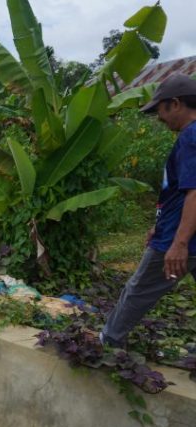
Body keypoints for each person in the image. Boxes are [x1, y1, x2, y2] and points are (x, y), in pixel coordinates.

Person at [100, 73, 196, 348]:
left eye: (160, 110)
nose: (159, 119)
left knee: (138, 291)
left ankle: (108, 342)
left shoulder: (191, 137)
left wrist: (179, 243)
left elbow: (194, 192)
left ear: (175, 104)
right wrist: (159, 223)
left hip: (177, 240)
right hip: (181, 231)